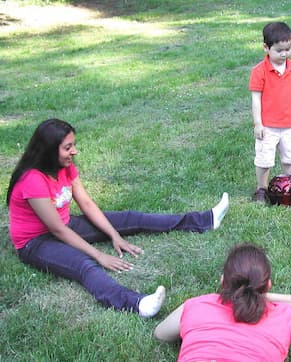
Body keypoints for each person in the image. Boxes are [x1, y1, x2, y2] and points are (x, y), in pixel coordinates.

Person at [6, 118, 229, 317]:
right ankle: (138, 304)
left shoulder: (65, 167)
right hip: (36, 242)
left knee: (132, 218)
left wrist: (114, 234)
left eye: (73, 145)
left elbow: (86, 203)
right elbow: (57, 230)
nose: (75, 152)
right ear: (48, 151)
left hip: (65, 224)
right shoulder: (32, 180)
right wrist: (99, 255)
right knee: (85, 264)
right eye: (68, 147)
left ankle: (206, 220)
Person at [154, 242, 291, 361]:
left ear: (223, 282)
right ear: (267, 285)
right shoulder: (281, 316)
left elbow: (161, 334)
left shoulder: (196, 306)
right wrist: (263, 294)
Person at [249, 21, 291, 202]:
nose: (284, 54)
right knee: (264, 160)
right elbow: (256, 98)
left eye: (288, 49)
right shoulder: (259, 71)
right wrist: (258, 123)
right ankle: (262, 189)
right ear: (266, 47)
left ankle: (290, 187)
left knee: (290, 159)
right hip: (268, 126)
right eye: (279, 50)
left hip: (289, 125)